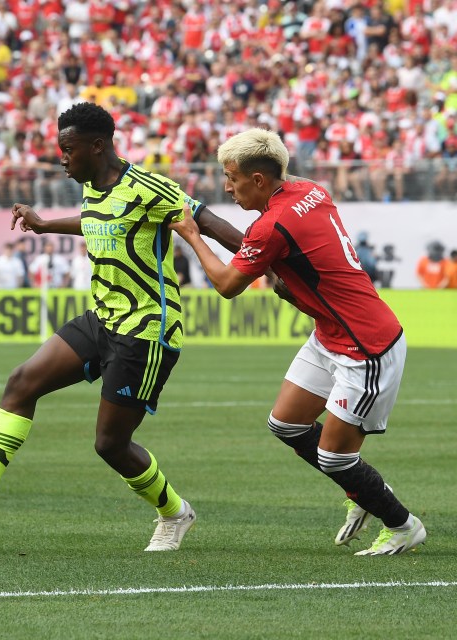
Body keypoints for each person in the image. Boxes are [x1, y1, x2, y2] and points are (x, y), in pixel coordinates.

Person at [0, 102, 243, 551]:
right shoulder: (92, 184)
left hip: (145, 331)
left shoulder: (150, 187)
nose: (62, 158)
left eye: (68, 149)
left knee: (110, 444)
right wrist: (45, 226)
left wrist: (266, 264)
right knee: (22, 382)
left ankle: (175, 512)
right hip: (101, 318)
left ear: (97, 146)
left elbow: (210, 223)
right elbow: (95, 222)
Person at [169, 128, 426, 556]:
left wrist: (194, 235)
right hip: (329, 333)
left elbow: (230, 284)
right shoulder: (308, 191)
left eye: (231, 177)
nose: (227, 186)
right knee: (286, 424)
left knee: (335, 459)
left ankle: (401, 525)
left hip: (366, 346)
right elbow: (272, 249)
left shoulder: (274, 223)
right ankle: (363, 490)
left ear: (258, 180)